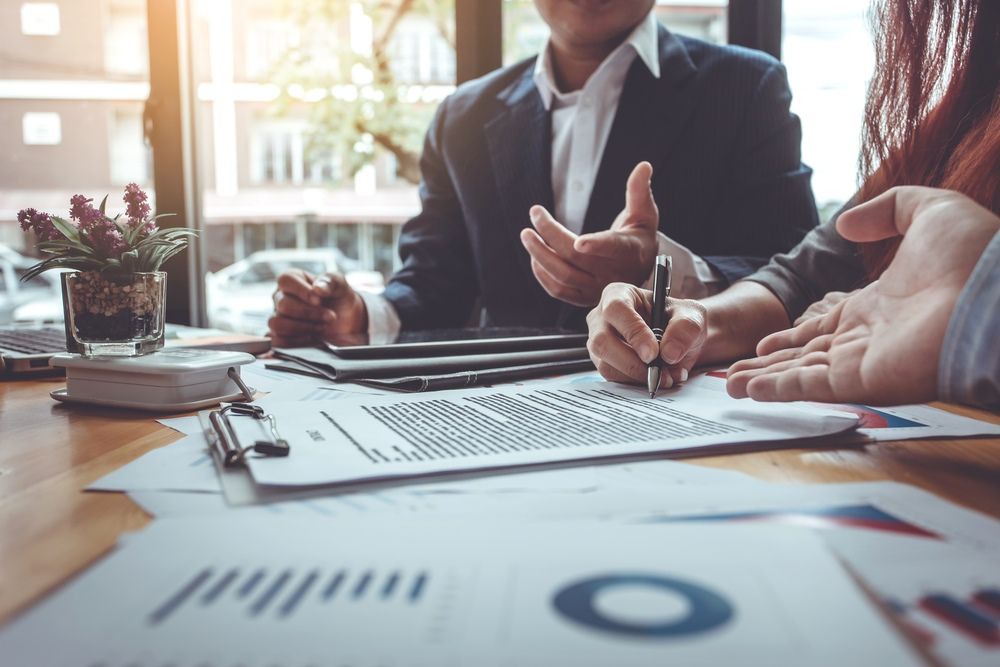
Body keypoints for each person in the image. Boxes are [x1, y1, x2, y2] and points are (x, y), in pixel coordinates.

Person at [268, 0, 819, 347]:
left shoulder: (745, 88)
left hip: (676, 405)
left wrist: (660, 268)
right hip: (495, 412)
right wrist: (361, 315)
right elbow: (435, 281)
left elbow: (798, 272)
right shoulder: (464, 116)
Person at [586, 0, 1000, 405]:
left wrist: (981, 309)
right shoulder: (964, 115)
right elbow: (801, 277)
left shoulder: (744, 80)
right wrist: (693, 324)